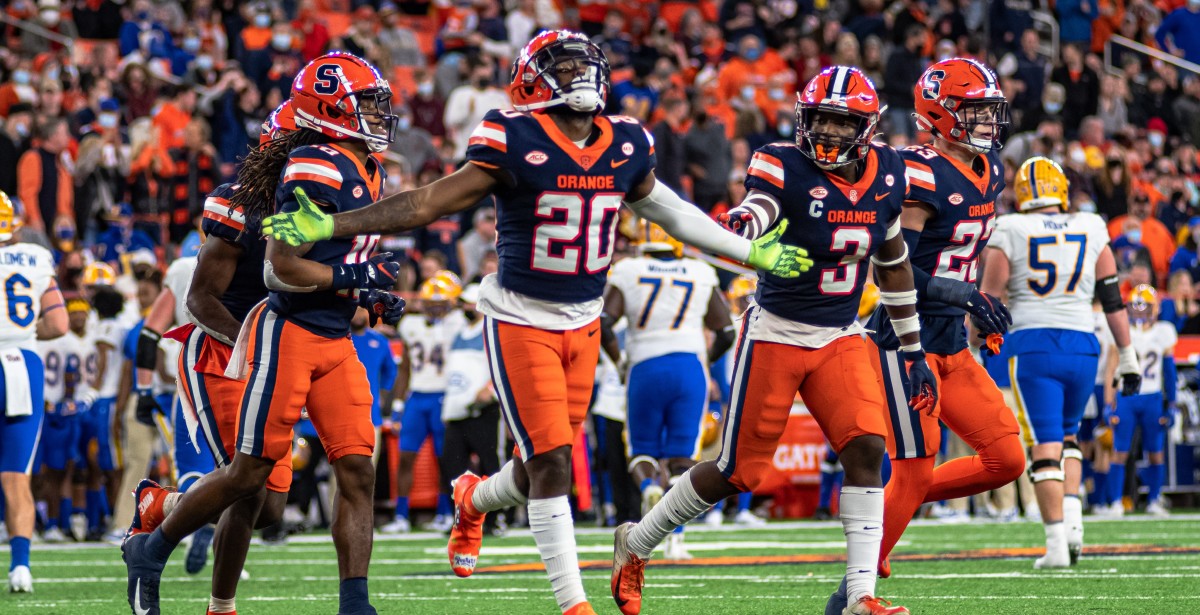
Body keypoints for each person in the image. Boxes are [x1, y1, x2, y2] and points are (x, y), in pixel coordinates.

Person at [261, 30, 812, 615]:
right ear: (531, 81)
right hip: (520, 318)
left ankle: (473, 500)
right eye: (564, 67)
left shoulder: (627, 141)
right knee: (552, 463)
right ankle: (574, 604)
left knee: (536, 467)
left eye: (583, 65)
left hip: (585, 321)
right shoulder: (512, 136)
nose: (579, 77)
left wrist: (747, 252)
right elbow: (428, 202)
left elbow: (672, 212)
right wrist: (332, 225)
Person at [612, 66, 937, 615]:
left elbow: (893, 262)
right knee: (737, 472)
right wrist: (742, 223)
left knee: (866, 447)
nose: (829, 132)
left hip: (840, 333)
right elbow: (760, 206)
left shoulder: (889, 171)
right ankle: (638, 541)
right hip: (777, 331)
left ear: (867, 127)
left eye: (842, 122)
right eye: (821, 120)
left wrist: (913, 348)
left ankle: (860, 595)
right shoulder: (781, 162)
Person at [121, 52, 406, 615]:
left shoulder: (348, 177)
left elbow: (327, 272)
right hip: (228, 347)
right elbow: (203, 298)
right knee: (248, 483)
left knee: (280, 499)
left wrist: (364, 295)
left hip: (304, 339)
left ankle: (177, 519)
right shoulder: (245, 203)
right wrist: (252, 346)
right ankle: (185, 563)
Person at [854, 59, 1025, 603]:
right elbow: (893, 268)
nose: (986, 121)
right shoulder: (918, 172)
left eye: (989, 110)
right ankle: (855, 591)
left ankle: (894, 508)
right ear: (938, 113)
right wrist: (966, 295)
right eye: (974, 110)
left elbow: (964, 253)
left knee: (1007, 459)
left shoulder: (990, 168)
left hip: (951, 341)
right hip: (904, 341)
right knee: (913, 465)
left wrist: (976, 308)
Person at [979, 156, 1142, 569]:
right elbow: (1112, 300)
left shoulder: (1011, 228)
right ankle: (1073, 529)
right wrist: (1127, 356)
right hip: (1084, 344)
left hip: (1034, 343)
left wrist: (976, 341)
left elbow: (988, 300)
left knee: (1044, 445)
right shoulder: (1091, 225)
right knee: (1068, 437)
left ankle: (1055, 546)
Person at [600, 221, 733, 560]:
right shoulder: (700, 271)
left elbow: (603, 322)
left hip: (645, 365)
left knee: (641, 451)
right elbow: (726, 332)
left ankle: (648, 486)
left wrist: (619, 362)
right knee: (683, 459)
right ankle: (678, 539)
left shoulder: (628, 269)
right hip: (689, 366)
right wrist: (705, 362)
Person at [0, 190, 68, 591]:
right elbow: (58, 324)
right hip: (22, 366)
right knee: (16, 476)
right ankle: (21, 568)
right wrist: (24, 332)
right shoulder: (36, 257)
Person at [382, 270, 464, 533]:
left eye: (441, 304)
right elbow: (405, 368)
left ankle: (444, 512)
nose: (436, 308)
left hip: (444, 396)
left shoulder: (459, 323)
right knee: (405, 457)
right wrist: (398, 405)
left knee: (444, 459)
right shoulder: (410, 324)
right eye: (431, 303)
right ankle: (401, 516)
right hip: (417, 397)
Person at [1103, 286, 1176, 517]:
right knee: (1119, 451)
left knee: (1155, 452)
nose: (1140, 312)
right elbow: (1111, 368)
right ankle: (1116, 502)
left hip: (1153, 397)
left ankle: (1154, 500)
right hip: (1126, 396)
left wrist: (1172, 403)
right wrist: (1108, 402)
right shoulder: (1122, 330)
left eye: (1145, 307)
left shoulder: (1164, 331)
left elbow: (1169, 371)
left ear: (1155, 308)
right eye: (1136, 307)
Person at [36, 295, 95, 542]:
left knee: (57, 470)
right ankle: (29, 522)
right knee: (36, 472)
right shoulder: (62, 339)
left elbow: (71, 376)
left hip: (52, 411)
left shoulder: (65, 341)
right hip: (41, 409)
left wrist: (67, 402)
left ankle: (52, 523)